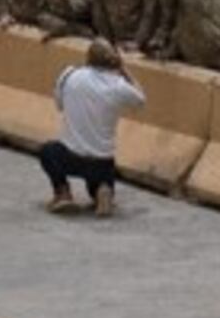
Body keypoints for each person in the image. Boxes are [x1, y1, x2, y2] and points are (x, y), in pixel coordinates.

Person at [39, 38, 150, 216]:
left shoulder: (70, 75)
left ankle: (63, 193)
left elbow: (59, 105)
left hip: (70, 155)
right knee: (100, 179)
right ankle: (102, 192)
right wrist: (124, 71)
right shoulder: (118, 86)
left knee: (47, 151)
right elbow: (141, 100)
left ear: (88, 57)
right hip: (101, 161)